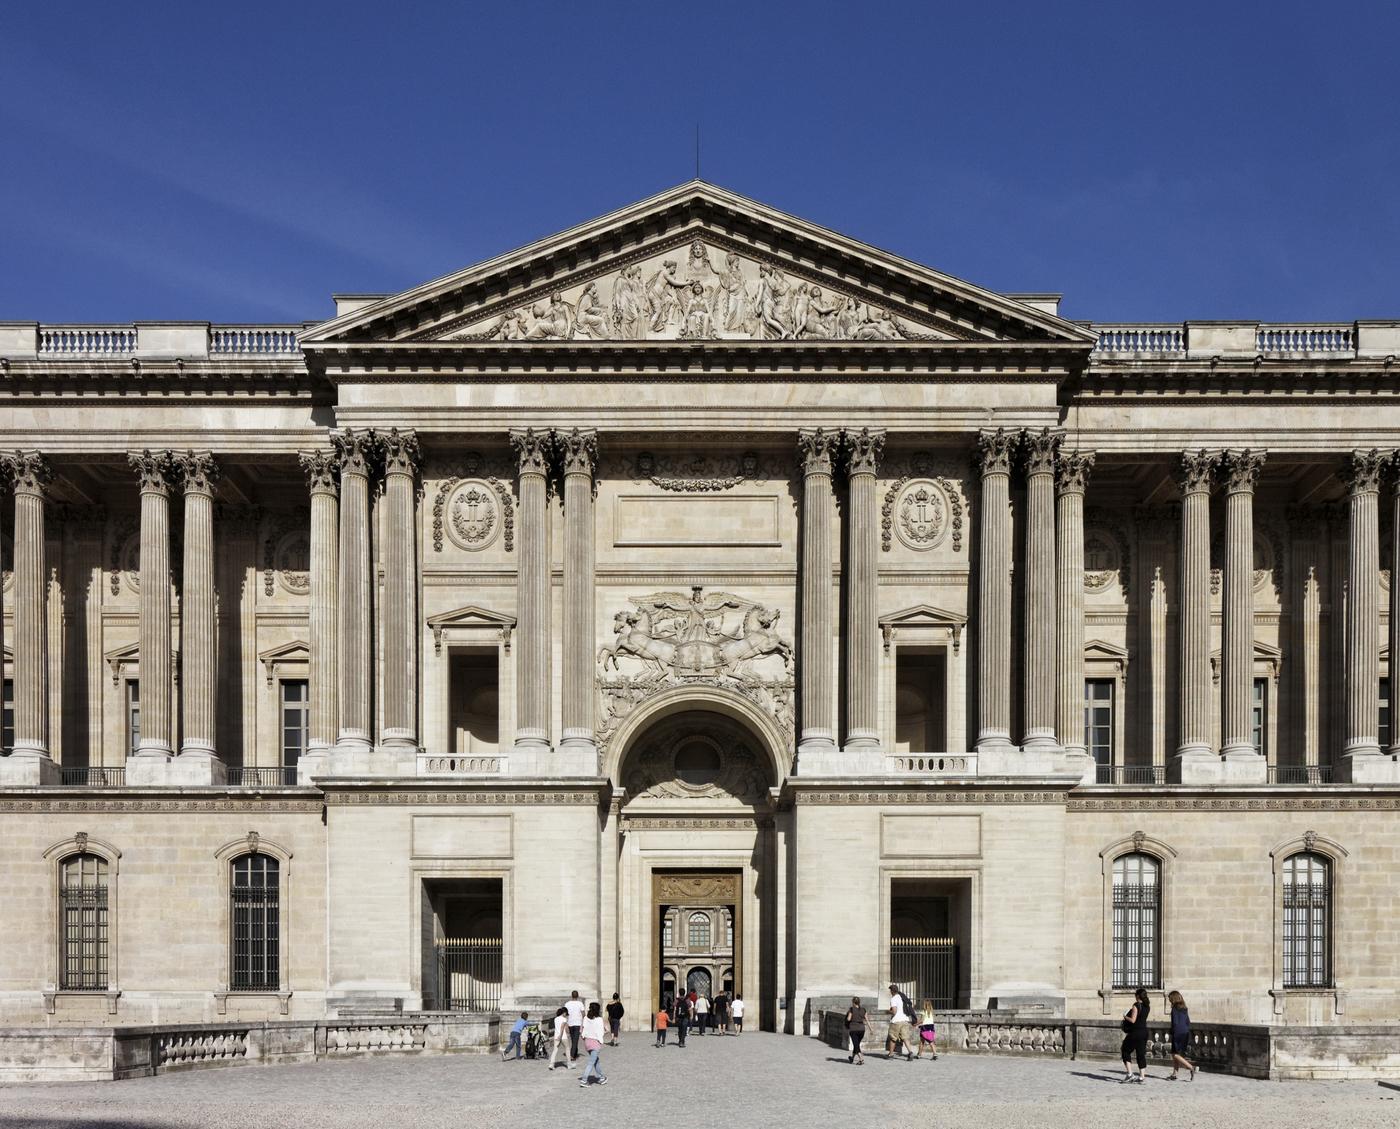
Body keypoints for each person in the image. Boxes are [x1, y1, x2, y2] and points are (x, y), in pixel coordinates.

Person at [1121, 987, 1151, 1082]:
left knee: (1125, 1050)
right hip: (1144, 1032)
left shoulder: (1136, 1005)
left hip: (1135, 1032)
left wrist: (1125, 1016)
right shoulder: (1147, 1006)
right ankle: (1142, 1077)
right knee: (1140, 1054)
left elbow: (1133, 1020)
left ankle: (1130, 1074)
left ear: (1138, 996)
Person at [1167, 990, 1196, 1080]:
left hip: (1177, 1032)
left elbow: (1175, 1022)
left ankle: (1191, 1067)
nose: (1169, 1000)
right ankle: (1174, 1074)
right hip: (1185, 1032)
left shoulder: (1175, 1008)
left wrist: (1172, 1031)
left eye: (1170, 999)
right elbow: (1188, 1021)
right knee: (1177, 1053)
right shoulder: (1184, 1008)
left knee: (1174, 1054)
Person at [579, 1001, 608, 1087]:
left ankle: (601, 1077)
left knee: (596, 1061)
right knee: (591, 1062)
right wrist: (606, 1032)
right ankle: (584, 1080)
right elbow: (601, 1032)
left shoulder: (585, 1018)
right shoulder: (599, 1020)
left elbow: (582, 1030)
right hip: (595, 1043)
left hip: (587, 1042)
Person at [886, 984, 917, 1061]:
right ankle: (910, 1052)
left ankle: (891, 1054)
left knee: (893, 1038)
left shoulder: (893, 999)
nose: (890, 992)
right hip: (905, 1020)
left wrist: (887, 1011)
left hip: (896, 1021)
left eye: (890, 991)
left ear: (892, 991)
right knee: (905, 1038)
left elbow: (894, 1012)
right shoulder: (902, 997)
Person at [547, 1006, 572, 1071]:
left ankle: (551, 1064)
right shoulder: (564, 1019)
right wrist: (563, 1034)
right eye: (566, 1013)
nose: (566, 1015)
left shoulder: (556, 1019)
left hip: (556, 1036)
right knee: (567, 1049)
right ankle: (569, 1064)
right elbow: (563, 1028)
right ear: (564, 1013)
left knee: (555, 1050)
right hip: (563, 1036)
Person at [845, 996, 867, 1065]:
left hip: (854, 1029)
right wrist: (871, 1028)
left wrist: (848, 1018)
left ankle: (861, 1058)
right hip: (862, 1029)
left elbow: (848, 1019)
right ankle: (852, 1058)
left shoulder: (851, 1009)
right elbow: (866, 1019)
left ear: (853, 1002)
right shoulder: (863, 1009)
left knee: (856, 1044)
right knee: (856, 1044)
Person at [564, 990, 585, 1061]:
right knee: (575, 1040)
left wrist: (566, 1024)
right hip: (577, 1023)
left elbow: (565, 1015)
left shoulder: (567, 1004)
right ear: (578, 996)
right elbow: (583, 1014)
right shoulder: (580, 1003)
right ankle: (572, 1055)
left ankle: (574, 1053)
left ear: (571, 995)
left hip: (570, 1023)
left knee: (573, 1040)